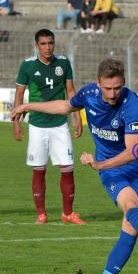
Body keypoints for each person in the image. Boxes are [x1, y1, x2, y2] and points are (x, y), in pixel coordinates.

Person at [12, 58, 138, 274]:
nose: (112, 94)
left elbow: (133, 151)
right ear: (98, 84)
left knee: (130, 228)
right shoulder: (89, 94)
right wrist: (28, 105)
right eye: (107, 88)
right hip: (112, 171)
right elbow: (64, 106)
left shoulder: (132, 104)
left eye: (117, 88)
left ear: (123, 83)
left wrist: (98, 164)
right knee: (131, 209)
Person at [11, 29, 85, 226]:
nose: (48, 47)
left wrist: (78, 117)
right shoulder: (27, 66)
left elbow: (71, 92)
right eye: (43, 44)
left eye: (50, 43)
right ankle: (41, 213)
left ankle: (68, 213)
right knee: (39, 170)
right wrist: (16, 124)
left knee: (68, 168)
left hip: (60, 124)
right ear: (36, 46)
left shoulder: (63, 63)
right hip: (37, 125)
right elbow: (19, 97)